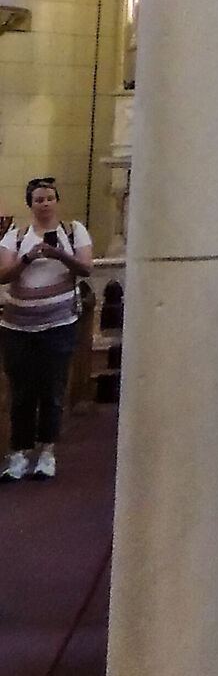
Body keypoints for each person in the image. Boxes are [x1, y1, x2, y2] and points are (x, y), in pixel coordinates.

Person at [0, 177, 94, 479]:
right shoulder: (15, 236)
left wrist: (58, 254)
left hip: (59, 324)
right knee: (21, 392)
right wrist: (28, 258)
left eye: (50, 198)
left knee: (53, 390)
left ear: (57, 201)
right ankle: (19, 454)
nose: (45, 204)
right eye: (39, 199)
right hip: (18, 327)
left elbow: (85, 267)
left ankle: (47, 452)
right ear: (31, 204)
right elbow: (3, 275)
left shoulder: (73, 231)